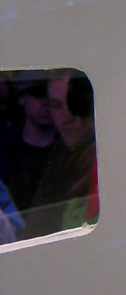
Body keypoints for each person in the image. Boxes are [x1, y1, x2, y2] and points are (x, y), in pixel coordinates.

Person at [23, 72, 98, 240]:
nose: (66, 117)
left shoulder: (97, 158)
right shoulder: (55, 165)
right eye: (56, 106)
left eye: (74, 103)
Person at [0, 77, 63, 213]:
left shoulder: (70, 147)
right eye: (38, 94)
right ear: (22, 97)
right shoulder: (4, 148)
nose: (46, 103)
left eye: (52, 97)